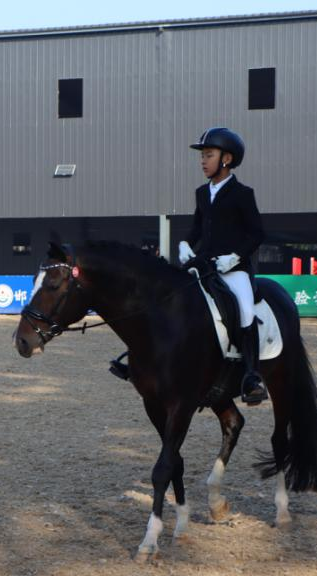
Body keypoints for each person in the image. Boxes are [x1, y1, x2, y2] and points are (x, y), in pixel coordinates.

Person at [110, 126, 268, 405]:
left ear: (226, 159)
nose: (203, 161)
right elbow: (197, 228)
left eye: (209, 155)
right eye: (202, 156)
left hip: (233, 269)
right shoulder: (201, 192)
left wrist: (235, 257)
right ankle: (141, 361)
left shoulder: (243, 193)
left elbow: (256, 233)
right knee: (165, 299)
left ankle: (252, 376)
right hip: (203, 265)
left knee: (244, 309)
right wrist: (185, 244)